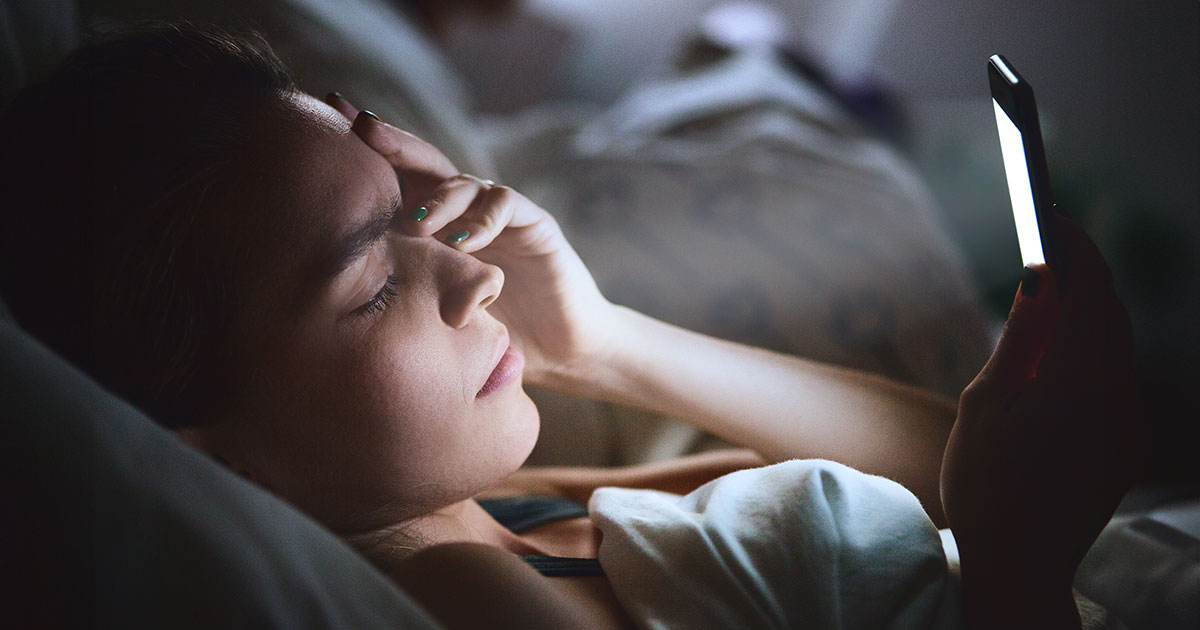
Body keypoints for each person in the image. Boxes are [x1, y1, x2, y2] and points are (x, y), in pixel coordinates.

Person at [0, 24, 1138, 629]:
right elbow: (989, 529)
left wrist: (595, 341)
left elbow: (938, 476)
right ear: (215, 453)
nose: (470, 275)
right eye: (375, 285)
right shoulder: (461, 596)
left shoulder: (495, 516)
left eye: (415, 215)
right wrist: (1018, 580)